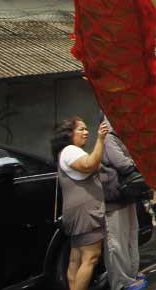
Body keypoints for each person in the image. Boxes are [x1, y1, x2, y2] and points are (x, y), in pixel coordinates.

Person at [52, 117, 108, 290]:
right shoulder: (70, 150)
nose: (86, 132)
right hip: (85, 213)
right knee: (90, 257)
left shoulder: (67, 152)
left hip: (78, 212)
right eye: (81, 129)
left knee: (75, 259)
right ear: (69, 134)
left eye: (86, 129)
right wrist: (100, 139)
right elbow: (89, 164)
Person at [99, 119, 147, 290]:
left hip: (127, 196)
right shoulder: (108, 138)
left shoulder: (122, 137)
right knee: (117, 243)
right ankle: (121, 282)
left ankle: (131, 274)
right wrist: (136, 162)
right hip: (114, 199)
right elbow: (123, 164)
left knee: (130, 236)